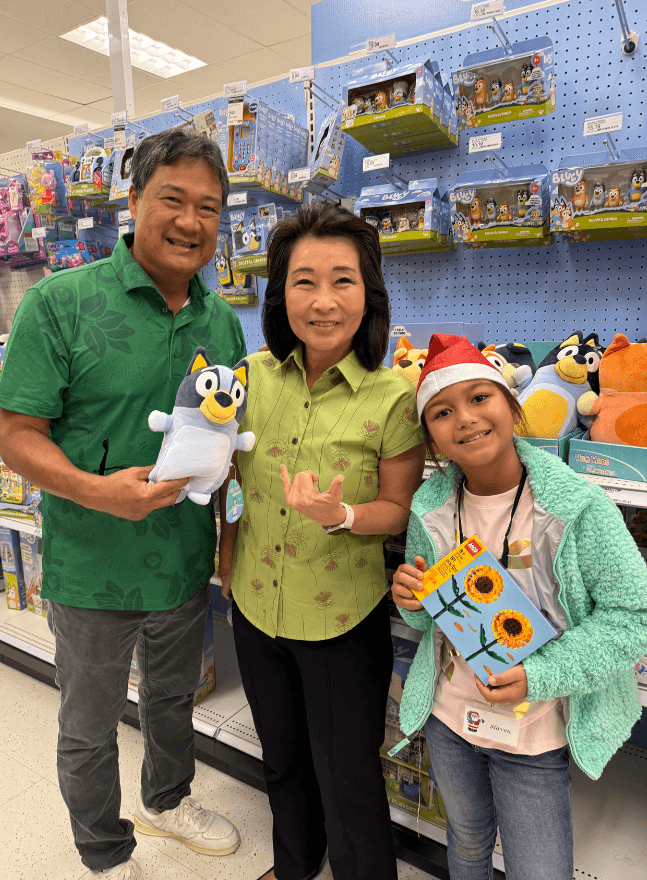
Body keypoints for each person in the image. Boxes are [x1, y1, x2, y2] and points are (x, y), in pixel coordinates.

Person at [0, 128, 247, 880]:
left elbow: (225, 439)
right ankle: (103, 853)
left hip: (180, 564)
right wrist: (97, 491)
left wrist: (228, 542)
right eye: (172, 199)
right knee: (88, 722)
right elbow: (17, 438)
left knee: (172, 700)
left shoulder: (222, 321)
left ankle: (167, 801)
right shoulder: (58, 304)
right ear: (132, 202)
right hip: (93, 568)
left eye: (208, 207)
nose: (190, 221)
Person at [218, 203, 425, 880]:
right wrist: (223, 554)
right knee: (281, 758)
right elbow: (227, 475)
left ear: (369, 293)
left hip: (339, 619)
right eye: (303, 281)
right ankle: (294, 865)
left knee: (346, 777)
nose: (323, 300)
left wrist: (342, 517)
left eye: (342, 280)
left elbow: (396, 509)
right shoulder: (249, 377)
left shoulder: (393, 397)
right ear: (280, 294)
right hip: (254, 606)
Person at [391, 333, 647, 880]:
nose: (465, 419)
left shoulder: (578, 508)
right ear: (430, 437)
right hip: (450, 716)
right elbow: (426, 618)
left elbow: (634, 615)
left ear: (513, 405)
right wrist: (411, 598)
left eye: (480, 397)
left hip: (534, 731)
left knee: (540, 868)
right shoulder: (430, 508)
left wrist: (541, 673)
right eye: (441, 411)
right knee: (464, 843)